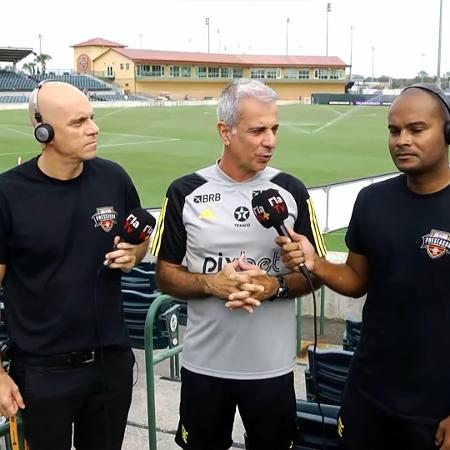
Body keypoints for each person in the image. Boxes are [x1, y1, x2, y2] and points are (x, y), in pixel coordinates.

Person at [151, 78, 326, 450]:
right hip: (204, 367)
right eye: (258, 130)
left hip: (272, 369)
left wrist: (273, 286)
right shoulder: (184, 191)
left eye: (275, 129)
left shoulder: (292, 191)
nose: (271, 141)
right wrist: (212, 283)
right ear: (225, 131)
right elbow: (164, 275)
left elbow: (316, 274)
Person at [278, 83, 450, 450]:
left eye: (416, 129)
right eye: (394, 130)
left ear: (447, 132)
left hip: (435, 405)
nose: (402, 140)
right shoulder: (372, 200)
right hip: (368, 392)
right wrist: (315, 262)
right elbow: (357, 279)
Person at [0, 81, 149, 450]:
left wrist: (135, 253)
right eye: (79, 122)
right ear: (43, 130)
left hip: (111, 364)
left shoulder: (113, 177)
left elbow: (139, 240)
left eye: (92, 118)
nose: (93, 128)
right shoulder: (8, 194)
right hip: (42, 373)